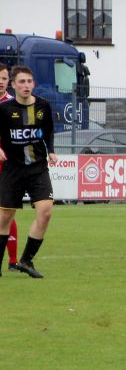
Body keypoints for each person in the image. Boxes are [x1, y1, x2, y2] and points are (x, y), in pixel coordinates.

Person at [0, 66, 57, 279]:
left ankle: (26, 260)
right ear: (13, 85)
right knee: (5, 216)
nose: (26, 85)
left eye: (29, 81)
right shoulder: (5, 109)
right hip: (13, 169)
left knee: (46, 211)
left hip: (37, 168)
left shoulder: (43, 105)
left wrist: (51, 150)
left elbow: (49, 130)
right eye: (21, 82)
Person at [0, 65, 20, 272]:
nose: (1, 81)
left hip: (8, 166)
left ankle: (13, 260)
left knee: (7, 212)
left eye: (4, 78)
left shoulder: (13, 105)